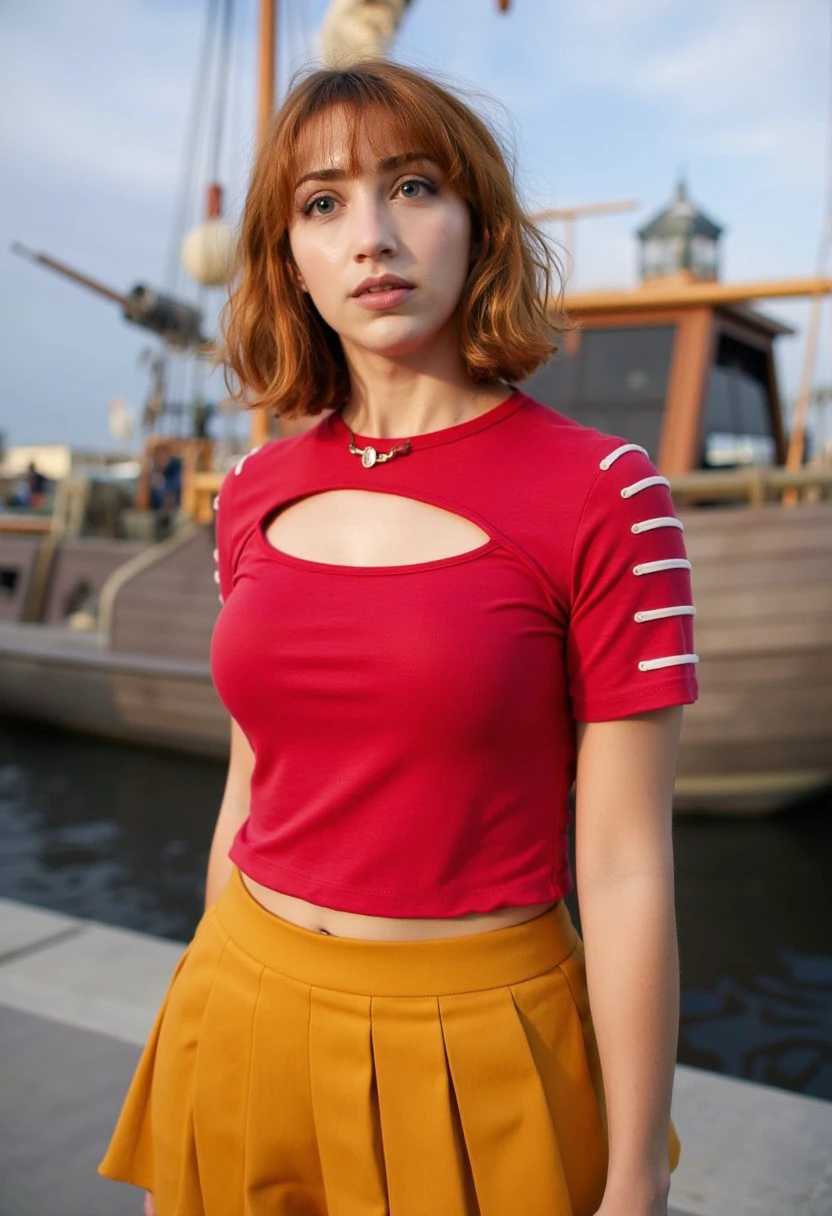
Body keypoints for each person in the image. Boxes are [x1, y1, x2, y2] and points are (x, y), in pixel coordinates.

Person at [99, 60, 698, 1216]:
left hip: (477, 1047)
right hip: (239, 1009)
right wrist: (195, 1019)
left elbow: (625, 868)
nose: (370, 234)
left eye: (412, 186)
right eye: (321, 204)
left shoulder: (606, 494)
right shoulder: (251, 490)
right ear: (289, 261)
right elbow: (250, 784)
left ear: (477, 223)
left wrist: (633, 1179)